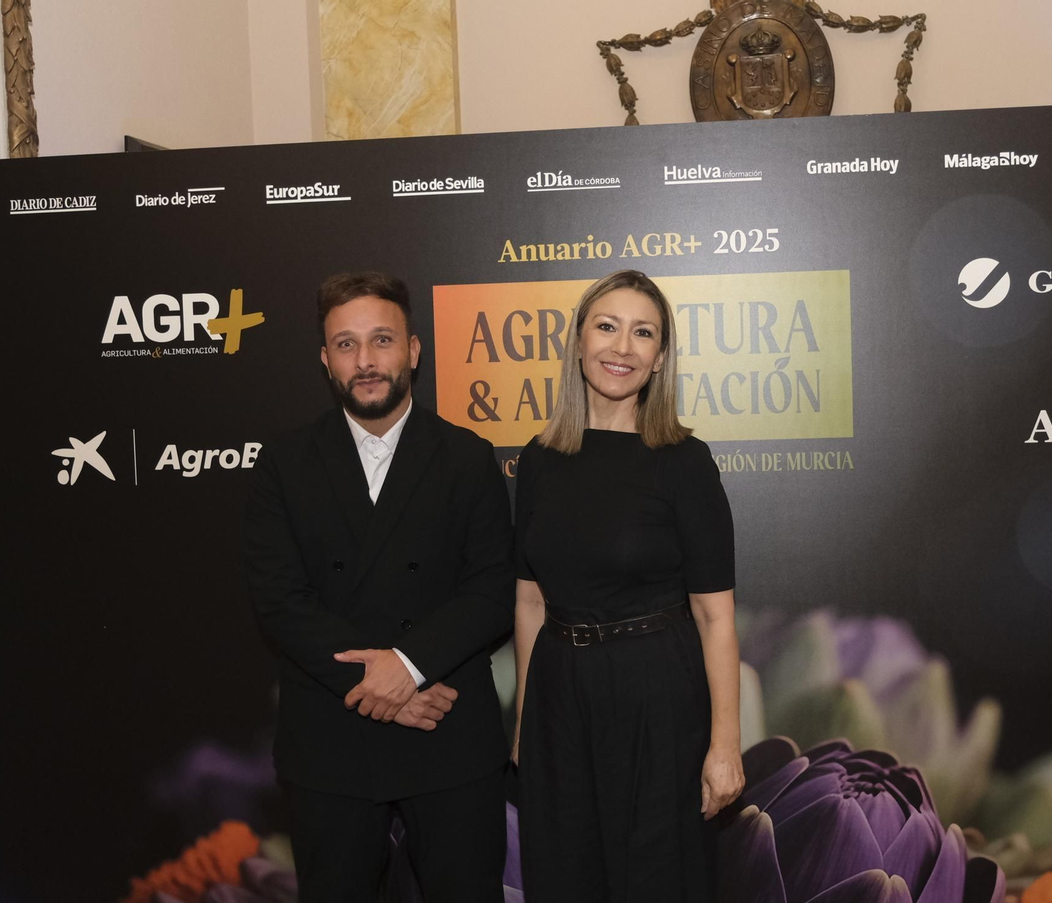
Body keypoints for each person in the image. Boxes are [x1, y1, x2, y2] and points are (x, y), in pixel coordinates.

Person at [244, 272, 513, 903]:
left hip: (447, 730)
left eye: (381, 340)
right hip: (331, 740)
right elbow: (279, 600)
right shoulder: (284, 463)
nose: (365, 360)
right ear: (325, 359)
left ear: (413, 350)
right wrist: (382, 686)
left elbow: (492, 590)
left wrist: (408, 667)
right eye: (346, 344)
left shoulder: (467, 457)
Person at [510, 270, 744, 902]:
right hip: (559, 695)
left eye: (643, 333)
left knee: (655, 879)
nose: (622, 347)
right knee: (565, 876)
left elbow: (716, 617)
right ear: (579, 341)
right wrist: (525, 723)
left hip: (656, 696)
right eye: (607, 327)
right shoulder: (539, 459)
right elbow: (529, 601)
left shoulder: (684, 462)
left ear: (660, 356)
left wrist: (725, 746)